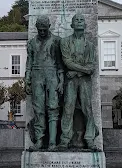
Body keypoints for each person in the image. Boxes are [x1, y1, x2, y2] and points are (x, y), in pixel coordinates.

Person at [58, 13, 99, 149]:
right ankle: (65, 139)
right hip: (70, 82)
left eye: (82, 20)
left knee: (88, 109)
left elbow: (91, 67)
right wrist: (83, 70)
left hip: (84, 81)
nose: (80, 22)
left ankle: (90, 138)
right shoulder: (65, 42)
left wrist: (76, 71)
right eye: (77, 20)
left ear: (85, 25)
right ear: (72, 25)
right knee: (68, 108)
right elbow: (67, 62)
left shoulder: (91, 46)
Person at [25, 15, 64, 150]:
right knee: (38, 109)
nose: (42, 32)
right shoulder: (31, 43)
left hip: (53, 75)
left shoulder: (56, 41)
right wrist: (27, 79)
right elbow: (29, 63)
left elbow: (60, 64)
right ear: (36, 28)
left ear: (49, 27)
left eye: (44, 30)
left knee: (53, 108)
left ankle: (52, 142)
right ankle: (40, 140)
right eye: (40, 30)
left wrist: (61, 80)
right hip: (37, 76)